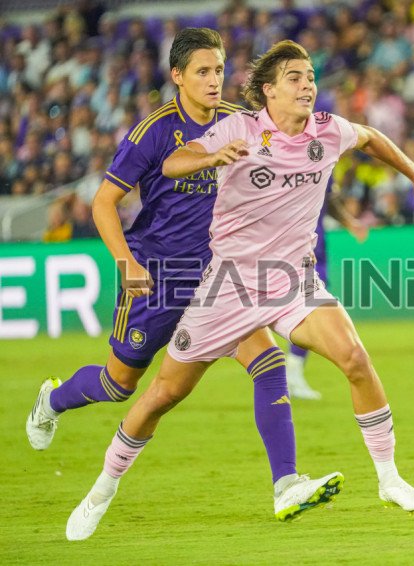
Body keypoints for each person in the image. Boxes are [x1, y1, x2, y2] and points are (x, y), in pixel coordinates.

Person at [65, 39, 414, 540]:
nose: (307, 85)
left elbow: (372, 138)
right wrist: (211, 157)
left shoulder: (328, 130)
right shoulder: (240, 128)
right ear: (268, 90)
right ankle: (101, 491)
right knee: (161, 394)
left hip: (291, 280)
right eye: (295, 78)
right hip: (226, 286)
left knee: (354, 358)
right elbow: (174, 162)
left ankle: (388, 479)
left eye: (311, 77)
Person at [25, 29, 329, 536]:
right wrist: (125, 262)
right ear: (177, 76)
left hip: (220, 276)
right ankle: (52, 401)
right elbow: (103, 203)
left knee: (268, 361)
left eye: (219, 70)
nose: (214, 80)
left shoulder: (240, 122)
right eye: (203, 72)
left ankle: (287, 484)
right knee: (118, 385)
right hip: (158, 276)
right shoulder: (154, 132)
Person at [287, 183, 368, 400]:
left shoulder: (325, 163)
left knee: (310, 308)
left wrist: (349, 222)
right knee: (308, 308)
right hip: (290, 248)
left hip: (316, 249)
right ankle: (288, 373)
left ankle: (291, 371)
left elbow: (328, 198)